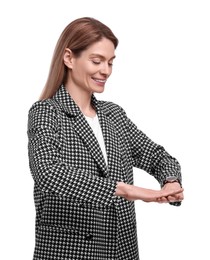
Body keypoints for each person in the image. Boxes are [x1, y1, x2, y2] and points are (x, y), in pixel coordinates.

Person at [27, 17, 184, 260]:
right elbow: (48, 173)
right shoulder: (47, 112)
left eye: (110, 62)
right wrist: (124, 190)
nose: (106, 71)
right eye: (97, 61)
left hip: (121, 250)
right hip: (69, 252)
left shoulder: (113, 115)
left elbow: (157, 156)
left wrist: (171, 180)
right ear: (69, 58)